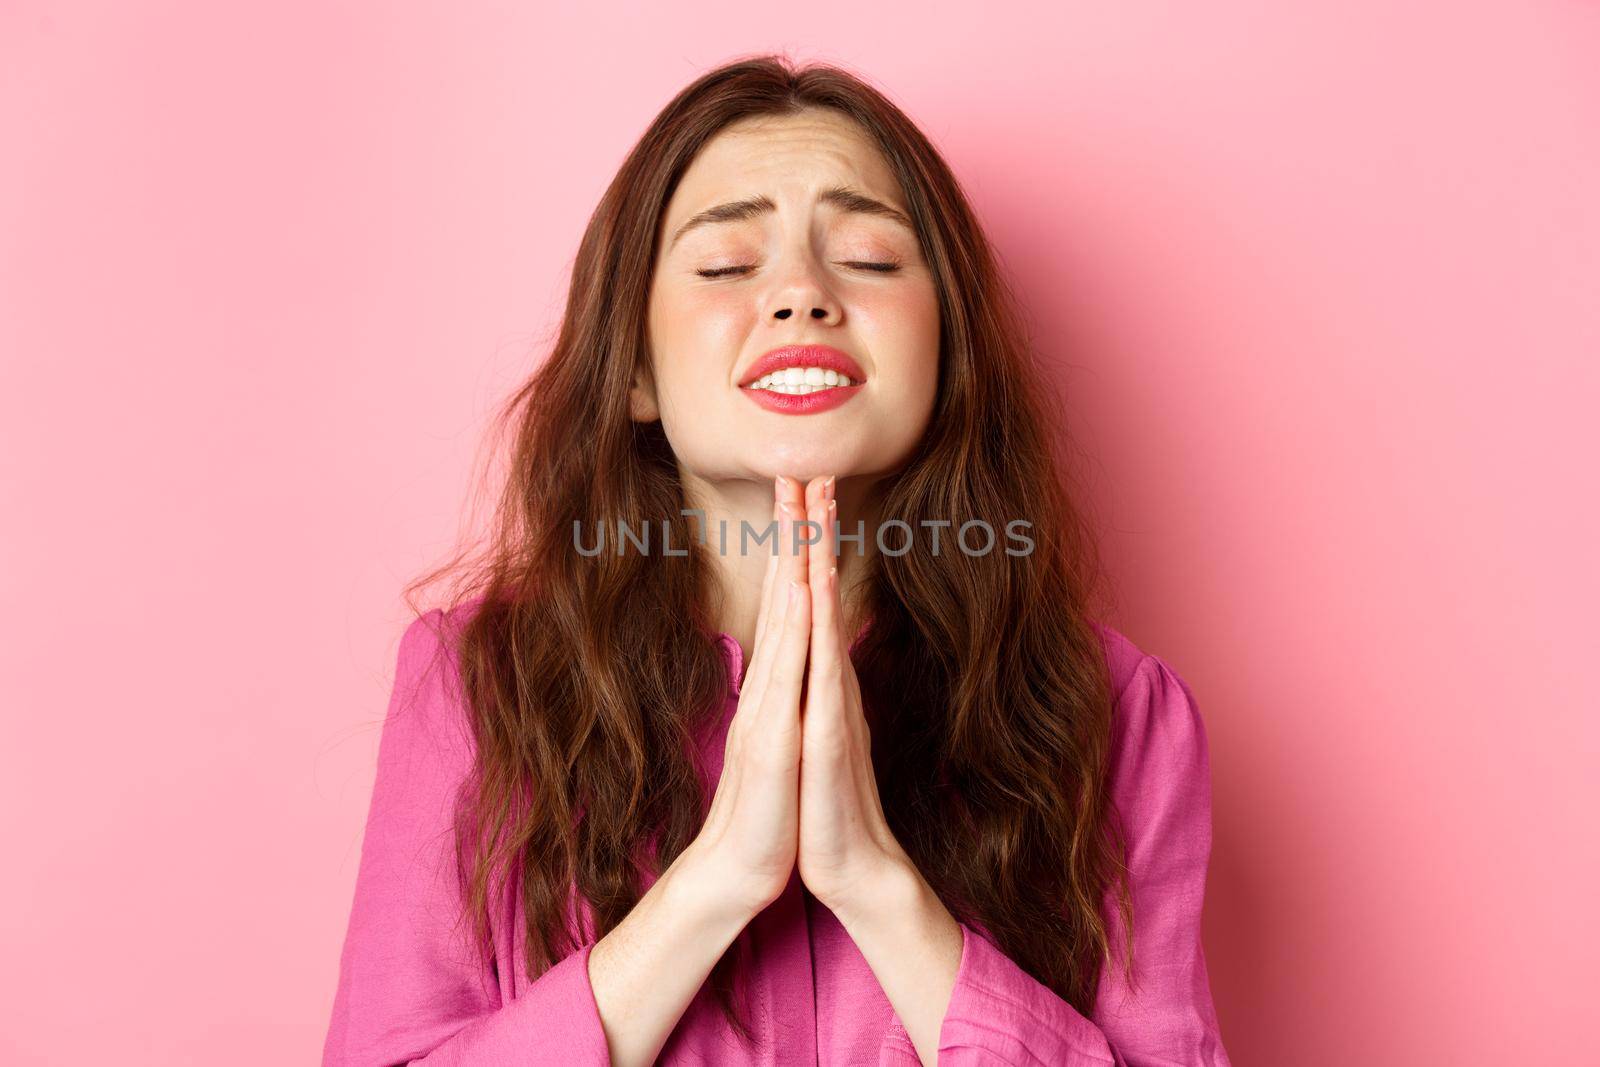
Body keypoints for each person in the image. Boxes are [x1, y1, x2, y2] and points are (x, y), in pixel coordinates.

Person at [322, 54, 1232, 1066]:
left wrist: (876, 883)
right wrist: (717, 878)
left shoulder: (1118, 715)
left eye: (871, 258)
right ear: (633, 372)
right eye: (725, 265)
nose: (801, 295)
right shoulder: (475, 684)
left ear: (948, 354)